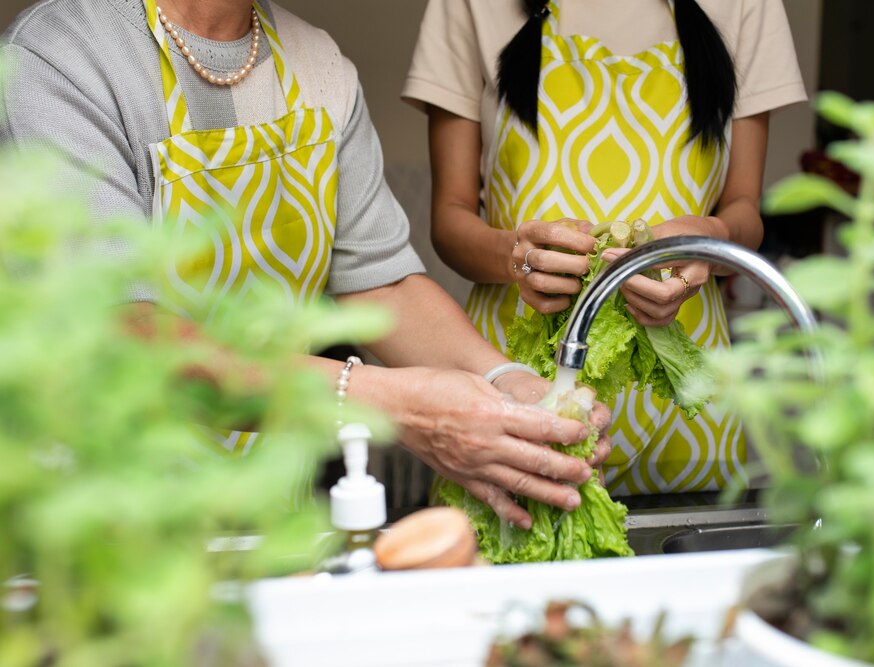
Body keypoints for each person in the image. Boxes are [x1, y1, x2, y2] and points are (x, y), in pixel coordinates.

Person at [0, 0, 612, 529]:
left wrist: (512, 388)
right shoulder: (59, 59)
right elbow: (129, 340)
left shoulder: (317, 65)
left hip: (272, 523)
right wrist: (394, 404)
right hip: (99, 537)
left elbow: (383, 287)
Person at [403, 0, 807, 494]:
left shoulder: (747, 6)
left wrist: (710, 239)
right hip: (517, 392)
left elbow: (744, 208)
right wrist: (519, 255)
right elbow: (448, 221)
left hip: (688, 404)